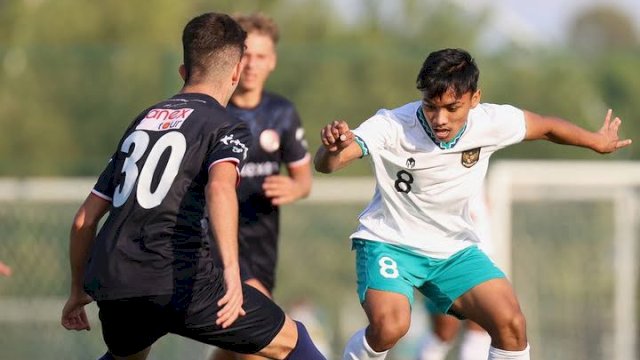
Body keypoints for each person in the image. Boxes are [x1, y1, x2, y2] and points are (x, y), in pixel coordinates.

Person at [314, 48, 631, 360]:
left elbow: (546, 127)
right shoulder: (392, 124)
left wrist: (595, 141)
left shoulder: (491, 121)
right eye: (430, 106)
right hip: (389, 243)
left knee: (511, 324)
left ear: (475, 98)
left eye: (452, 108)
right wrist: (331, 149)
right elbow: (328, 164)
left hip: (452, 250)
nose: (440, 118)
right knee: (391, 326)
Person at [60, 12, 325, 360]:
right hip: (182, 280)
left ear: (183, 72)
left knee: (129, 354)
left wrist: (77, 289)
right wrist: (232, 273)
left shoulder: (142, 122)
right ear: (235, 72)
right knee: (294, 340)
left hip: (115, 282)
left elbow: (84, 220)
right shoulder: (225, 125)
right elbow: (219, 189)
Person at [208, 12, 312, 360]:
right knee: (260, 338)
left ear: (273, 62)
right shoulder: (213, 110)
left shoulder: (282, 113)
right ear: (234, 59)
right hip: (216, 239)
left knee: (235, 344)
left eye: (261, 56)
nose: (252, 64)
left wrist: (294, 189)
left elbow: (304, 180)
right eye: (247, 55)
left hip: (263, 241)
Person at [417, 191, 492, 360]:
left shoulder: (478, 172)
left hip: (481, 259)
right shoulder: (441, 173)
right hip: (446, 260)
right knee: (444, 332)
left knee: (481, 327)